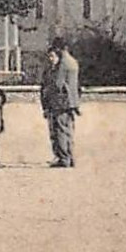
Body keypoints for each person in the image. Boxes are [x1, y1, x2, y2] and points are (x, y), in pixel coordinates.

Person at [40, 38, 81, 168]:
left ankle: (64, 159)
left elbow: (57, 84)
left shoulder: (63, 64)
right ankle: (69, 157)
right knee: (67, 130)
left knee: (60, 131)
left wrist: (46, 94)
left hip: (59, 102)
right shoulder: (73, 62)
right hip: (69, 102)